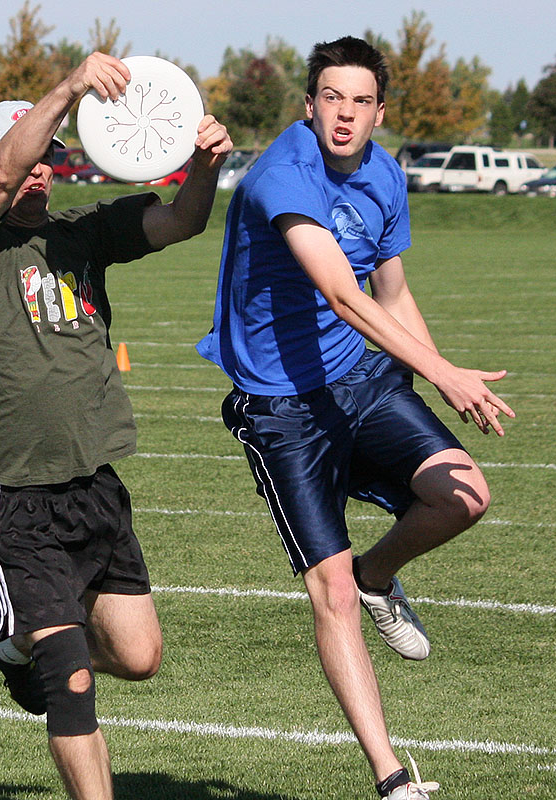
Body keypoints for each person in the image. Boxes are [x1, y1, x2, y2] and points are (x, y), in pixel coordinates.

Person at [197, 36, 515, 800]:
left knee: (465, 493)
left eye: (361, 101)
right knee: (327, 589)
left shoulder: (385, 174)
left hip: (362, 380)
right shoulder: (282, 173)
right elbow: (342, 292)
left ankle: (382, 575)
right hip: (283, 408)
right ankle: (393, 780)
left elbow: (392, 292)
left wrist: (441, 382)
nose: (345, 114)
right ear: (310, 106)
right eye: (331, 98)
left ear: (379, 111)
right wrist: (443, 371)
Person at [0, 52, 231, 800]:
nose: (37, 173)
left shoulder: (86, 233)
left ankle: (12, 646)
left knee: (138, 658)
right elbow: (2, 178)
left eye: (49, 163)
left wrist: (205, 164)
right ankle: (42, 654)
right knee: (70, 682)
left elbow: (183, 219)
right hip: (16, 501)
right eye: (27, 157)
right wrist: (67, 87)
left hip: (95, 488)